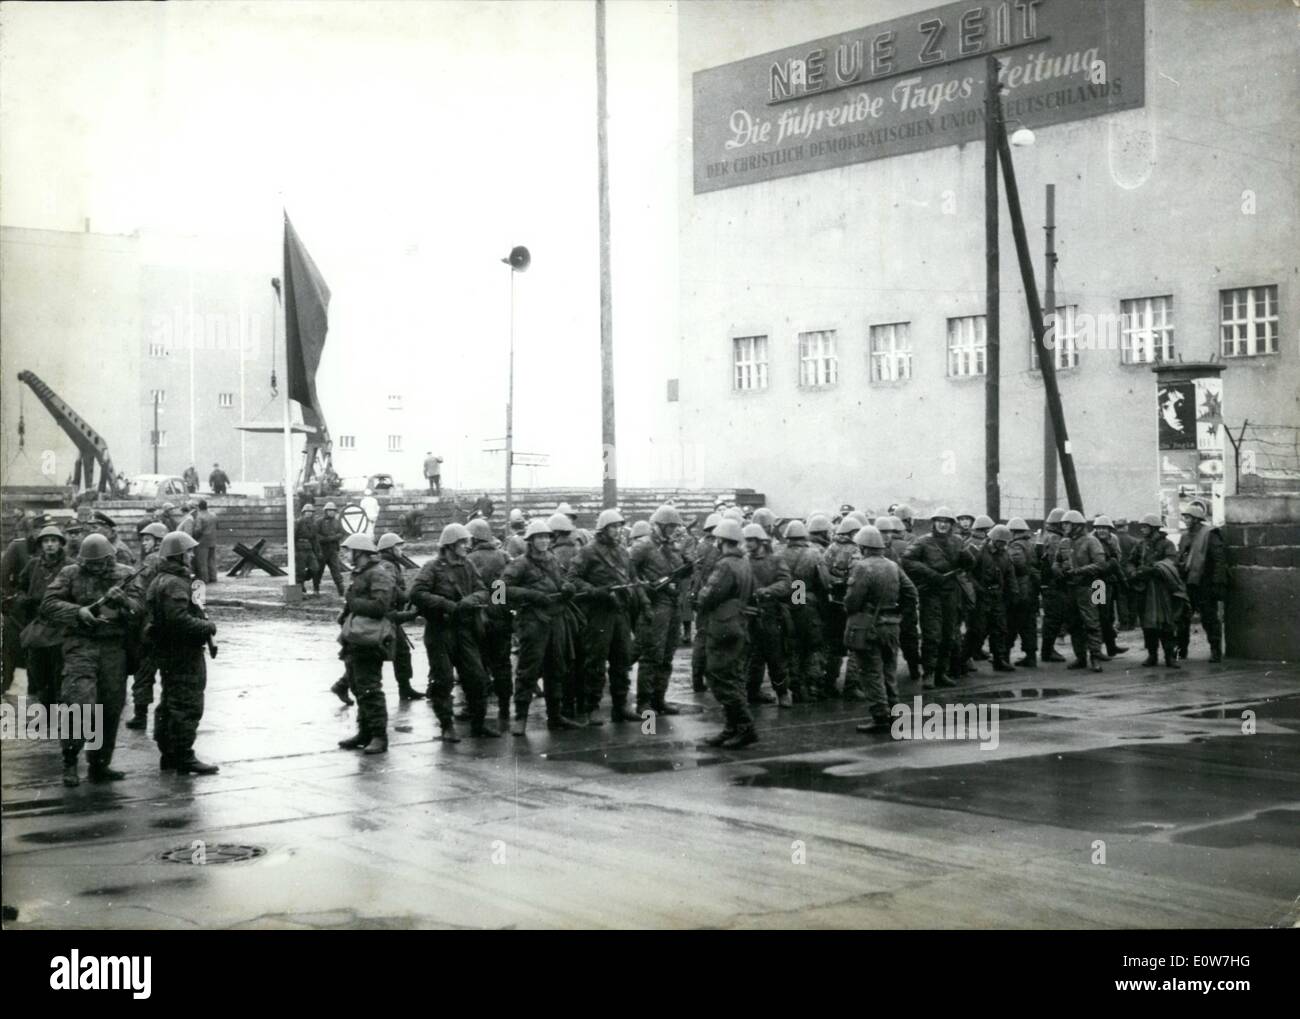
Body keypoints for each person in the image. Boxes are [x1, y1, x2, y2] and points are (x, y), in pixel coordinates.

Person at [41, 533, 142, 787]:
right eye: (91, 563)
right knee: (79, 702)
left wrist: (125, 601)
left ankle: (100, 764)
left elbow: (141, 610)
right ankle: (70, 761)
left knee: (110, 706)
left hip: (113, 648)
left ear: (111, 557)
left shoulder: (126, 573)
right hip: (80, 645)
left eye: (101, 563)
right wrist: (79, 611)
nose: (96, 567)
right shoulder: (70, 573)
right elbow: (49, 603)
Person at [410, 523, 497, 741]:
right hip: (440, 631)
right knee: (443, 679)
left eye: (467, 542)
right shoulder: (432, 567)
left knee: (477, 677)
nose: (466, 546)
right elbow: (417, 593)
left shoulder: (468, 565)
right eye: (462, 542)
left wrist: (470, 601)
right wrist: (446, 604)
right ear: (450, 545)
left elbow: (485, 591)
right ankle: (446, 725)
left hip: (465, 629)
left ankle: (478, 724)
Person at [145, 531, 219, 774]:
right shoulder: (175, 582)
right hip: (182, 652)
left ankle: (170, 753)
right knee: (187, 704)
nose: (191, 555)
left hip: (168, 651)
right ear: (178, 555)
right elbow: (178, 620)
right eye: (187, 551)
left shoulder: (162, 578)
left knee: (170, 702)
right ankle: (183, 755)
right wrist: (207, 627)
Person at [500, 519, 581, 735]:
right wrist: (530, 595)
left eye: (547, 537)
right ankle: (521, 718)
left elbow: (563, 580)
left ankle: (555, 717)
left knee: (556, 669)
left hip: (555, 621)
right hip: (532, 622)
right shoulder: (520, 563)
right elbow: (498, 590)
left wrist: (567, 587)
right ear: (530, 540)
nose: (544, 541)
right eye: (539, 537)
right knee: (528, 670)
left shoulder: (553, 559)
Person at [569, 508, 644, 724]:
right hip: (598, 613)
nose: (618, 530)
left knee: (622, 660)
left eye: (620, 526)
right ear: (603, 529)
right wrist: (596, 591)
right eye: (613, 526)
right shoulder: (588, 551)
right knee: (596, 661)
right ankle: (591, 707)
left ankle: (621, 706)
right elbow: (572, 578)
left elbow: (632, 576)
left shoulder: (622, 551)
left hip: (620, 611)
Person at [847, 525, 919, 734]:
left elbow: (852, 601)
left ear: (863, 547)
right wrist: (900, 614)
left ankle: (880, 717)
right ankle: (896, 713)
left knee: (871, 672)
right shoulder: (892, 566)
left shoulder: (862, 567)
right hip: (891, 625)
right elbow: (911, 592)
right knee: (889, 671)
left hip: (869, 627)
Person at [333, 533, 396, 754]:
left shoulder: (378, 574)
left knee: (369, 687)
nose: (346, 555)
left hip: (371, 638)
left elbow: (380, 606)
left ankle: (379, 735)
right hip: (358, 637)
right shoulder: (361, 574)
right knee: (360, 687)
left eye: (349, 551)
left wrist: (499, 606)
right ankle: (366, 732)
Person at [697, 518, 757, 748]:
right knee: (732, 676)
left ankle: (744, 726)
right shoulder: (744, 563)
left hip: (722, 625)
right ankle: (732, 727)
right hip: (739, 623)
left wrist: (698, 598)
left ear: (722, 540)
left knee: (719, 677)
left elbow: (709, 594)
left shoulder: (725, 565)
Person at [902, 507, 974, 689]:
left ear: (951, 524)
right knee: (932, 634)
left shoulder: (957, 541)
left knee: (949, 634)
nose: (943, 524)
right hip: (931, 592)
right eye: (939, 521)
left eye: (947, 521)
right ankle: (929, 673)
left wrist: (966, 557)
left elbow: (970, 563)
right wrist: (930, 574)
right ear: (933, 522)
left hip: (951, 592)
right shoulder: (923, 541)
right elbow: (907, 560)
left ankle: (942, 672)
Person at [632, 504, 689, 716]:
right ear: (660, 526)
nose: (673, 530)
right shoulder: (643, 546)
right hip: (655, 605)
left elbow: (680, 569)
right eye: (670, 526)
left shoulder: (671, 547)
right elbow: (629, 575)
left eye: (675, 526)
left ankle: (659, 698)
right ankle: (644, 703)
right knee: (651, 655)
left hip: (672, 604)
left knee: (667, 655)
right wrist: (646, 587)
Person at [466, 517, 514, 731]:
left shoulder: (469, 559)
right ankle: (504, 707)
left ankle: (477, 709)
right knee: (502, 664)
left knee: (479, 665)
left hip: (478, 617)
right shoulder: (502, 557)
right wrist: (498, 607)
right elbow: (502, 590)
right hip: (501, 617)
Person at [16, 524, 70, 708]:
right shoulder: (33, 565)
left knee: (59, 669)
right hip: (38, 624)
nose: (49, 545)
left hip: (61, 626)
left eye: (54, 541)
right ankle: (45, 705)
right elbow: (21, 586)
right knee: (38, 669)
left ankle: (58, 707)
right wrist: (23, 599)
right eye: (46, 541)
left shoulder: (70, 566)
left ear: (60, 543)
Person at [1125, 514, 1188, 668]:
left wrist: (1152, 569)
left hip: (1162, 589)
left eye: (1145, 526)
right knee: (1148, 624)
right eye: (1142, 526)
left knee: (1166, 623)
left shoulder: (1167, 544)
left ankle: (1169, 657)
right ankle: (1152, 655)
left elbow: (1171, 563)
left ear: (1154, 528)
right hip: (1145, 589)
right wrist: (1133, 572)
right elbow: (1130, 562)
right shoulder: (1140, 545)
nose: (1142, 529)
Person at [741, 522, 792, 707]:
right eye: (745, 540)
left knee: (775, 656)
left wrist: (767, 591)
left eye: (750, 540)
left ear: (760, 541)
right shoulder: (743, 560)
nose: (746, 544)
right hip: (748, 615)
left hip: (770, 613)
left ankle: (782, 692)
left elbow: (787, 583)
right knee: (752, 658)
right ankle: (752, 691)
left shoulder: (775, 559)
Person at [124, 522, 168, 729]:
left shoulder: (151, 559)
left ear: (158, 541)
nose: (144, 542)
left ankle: (140, 715)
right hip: (167, 622)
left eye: (148, 539)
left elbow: (138, 588)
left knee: (144, 671)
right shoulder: (175, 557)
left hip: (148, 621)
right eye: (143, 539)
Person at [779, 519, 829, 702]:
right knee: (813, 647)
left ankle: (796, 686)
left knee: (792, 648)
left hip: (785, 606)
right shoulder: (814, 554)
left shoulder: (778, 553)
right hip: (807, 605)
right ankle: (813, 686)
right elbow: (824, 583)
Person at [1052, 509, 1106, 672]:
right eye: (1063, 524)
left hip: (1090, 587)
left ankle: (1095, 657)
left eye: (1067, 523)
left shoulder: (1092, 541)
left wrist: (1079, 571)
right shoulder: (1064, 542)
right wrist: (1057, 569)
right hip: (1071, 588)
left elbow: (1101, 564)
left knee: (1091, 623)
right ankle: (1080, 657)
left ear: (1077, 525)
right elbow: (1056, 561)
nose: (1064, 526)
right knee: (1074, 623)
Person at [373, 532, 424, 702]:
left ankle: (405, 688)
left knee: (399, 652)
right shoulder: (388, 565)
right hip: (387, 616)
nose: (401, 550)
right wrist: (408, 596)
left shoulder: (390, 563)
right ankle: (405, 688)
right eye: (398, 546)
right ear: (389, 548)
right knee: (375, 655)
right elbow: (391, 590)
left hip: (388, 614)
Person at [1176, 503, 1227, 662]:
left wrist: (1217, 582)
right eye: (1184, 517)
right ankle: (1181, 649)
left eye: (1188, 517)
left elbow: (1219, 560)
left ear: (1197, 520)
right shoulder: (1185, 536)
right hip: (1188, 581)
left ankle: (1215, 650)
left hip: (1205, 581)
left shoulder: (1209, 534)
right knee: (1182, 617)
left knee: (1209, 618)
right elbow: (1181, 556)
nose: (1185, 520)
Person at [548, 513, 585, 721]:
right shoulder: (579, 549)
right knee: (579, 660)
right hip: (581, 612)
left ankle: (565, 708)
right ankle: (579, 705)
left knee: (562, 662)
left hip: (563, 612)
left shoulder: (555, 554)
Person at [821, 517, 862, 697]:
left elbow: (823, 572)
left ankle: (829, 682)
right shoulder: (856, 550)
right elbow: (857, 577)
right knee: (856, 646)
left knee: (835, 646)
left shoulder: (830, 548)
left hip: (833, 602)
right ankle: (852, 686)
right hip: (851, 602)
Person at [689, 513, 724, 693]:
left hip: (701, 597)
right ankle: (709, 678)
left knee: (701, 638)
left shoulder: (701, 547)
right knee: (711, 640)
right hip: (713, 599)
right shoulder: (717, 549)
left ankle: (697, 679)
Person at [1091, 516, 1129, 658]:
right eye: (1099, 528)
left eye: (1104, 528)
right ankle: (1097, 649)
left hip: (1109, 581)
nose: (1101, 531)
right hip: (1097, 583)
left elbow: (1117, 558)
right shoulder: (1092, 540)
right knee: (1100, 616)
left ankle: (1111, 647)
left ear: (1109, 529)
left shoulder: (1113, 539)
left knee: (1109, 616)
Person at [1006, 518, 1040, 667]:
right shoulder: (1029, 544)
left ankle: (1004, 656)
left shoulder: (1016, 545)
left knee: (1011, 622)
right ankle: (1030, 655)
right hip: (1030, 588)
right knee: (1028, 624)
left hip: (1020, 588)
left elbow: (1017, 563)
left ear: (1012, 531)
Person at [1038, 508, 1069, 662]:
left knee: (1052, 618)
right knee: (1053, 618)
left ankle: (1047, 650)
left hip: (1047, 584)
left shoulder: (1046, 536)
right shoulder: (1055, 538)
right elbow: (1055, 562)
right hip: (1054, 584)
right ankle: (1047, 651)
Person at [314, 502, 346, 596]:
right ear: (325, 511)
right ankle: (316, 589)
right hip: (322, 550)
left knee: (336, 570)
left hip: (333, 550)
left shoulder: (337, 522)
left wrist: (334, 537)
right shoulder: (319, 522)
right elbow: (315, 535)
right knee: (318, 571)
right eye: (329, 510)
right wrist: (325, 539)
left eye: (333, 510)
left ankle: (341, 590)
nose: (331, 512)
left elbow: (341, 533)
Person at [294, 503, 321, 595]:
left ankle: (301, 580)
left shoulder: (313, 524)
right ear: (303, 513)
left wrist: (318, 551)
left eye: (311, 512)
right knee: (300, 570)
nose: (309, 513)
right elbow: (293, 536)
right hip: (300, 548)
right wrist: (294, 549)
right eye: (307, 512)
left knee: (315, 568)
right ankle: (300, 586)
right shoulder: (298, 522)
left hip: (309, 548)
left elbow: (315, 538)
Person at [193, 498, 219, 584]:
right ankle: (213, 577)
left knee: (202, 562)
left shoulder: (199, 516)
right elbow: (218, 526)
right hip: (213, 540)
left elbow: (198, 530)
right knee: (212, 560)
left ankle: (205, 579)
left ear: (199, 507)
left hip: (202, 541)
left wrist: (195, 538)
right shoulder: (213, 515)